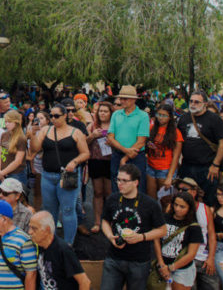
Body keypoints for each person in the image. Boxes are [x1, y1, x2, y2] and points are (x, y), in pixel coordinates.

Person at [28, 103, 88, 245]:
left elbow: (86, 153)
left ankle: (68, 244)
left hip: (67, 175)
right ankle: (51, 243)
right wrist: (33, 135)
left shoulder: (75, 132)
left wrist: (74, 162)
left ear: (65, 116)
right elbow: (35, 149)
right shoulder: (45, 130)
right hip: (48, 175)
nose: (53, 119)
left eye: (56, 116)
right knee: (50, 211)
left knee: (68, 210)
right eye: (51, 116)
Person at [100, 163, 166, 290]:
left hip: (139, 261)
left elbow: (162, 230)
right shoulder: (112, 199)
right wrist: (110, 236)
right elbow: (105, 221)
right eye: (118, 180)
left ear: (136, 182)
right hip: (114, 258)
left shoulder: (150, 204)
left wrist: (141, 237)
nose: (120, 184)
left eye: (124, 181)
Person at [176, 91, 223, 206]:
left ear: (205, 103)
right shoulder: (183, 118)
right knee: (186, 201)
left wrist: (215, 165)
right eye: (191, 101)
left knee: (207, 201)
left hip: (207, 168)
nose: (193, 104)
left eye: (197, 102)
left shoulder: (214, 119)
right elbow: (178, 142)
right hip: (187, 166)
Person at [171, 178, 216, 290]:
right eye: (178, 189)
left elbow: (211, 235)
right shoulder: (174, 208)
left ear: (194, 192)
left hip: (202, 258)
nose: (180, 192)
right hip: (182, 258)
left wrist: (211, 257)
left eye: (184, 189)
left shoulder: (205, 209)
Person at [28, 210, 90, 290]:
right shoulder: (39, 246)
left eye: (34, 229)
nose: (30, 232)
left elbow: (85, 282)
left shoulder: (63, 250)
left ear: (47, 230)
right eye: (29, 227)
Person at [154, 191, 203, 290]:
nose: (177, 209)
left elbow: (191, 254)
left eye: (182, 207)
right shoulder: (164, 218)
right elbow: (156, 239)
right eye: (175, 205)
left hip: (182, 269)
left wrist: (171, 268)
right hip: (162, 265)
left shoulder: (194, 226)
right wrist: (161, 264)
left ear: (189, 208)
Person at [106, 86, 150, 193]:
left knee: (137, 189)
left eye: (125, 98)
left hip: (136, 156)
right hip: (118, 155)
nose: (122, 101)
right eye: (121, 98)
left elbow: (141, 141)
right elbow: (110, 137)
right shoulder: (116, 114)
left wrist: (125, 158)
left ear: (134, 99)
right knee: (117, 188)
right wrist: (126, 151)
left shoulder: (143, 116)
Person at [146, 104, 182, 199]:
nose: (160, 118)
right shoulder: (151, 128)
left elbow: (176, 156)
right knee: (151, 198)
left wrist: (170, 177)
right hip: (150, 167)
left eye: (164, 115)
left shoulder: (176, 133)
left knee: (165, 200)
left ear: (170, 117)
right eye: (159, 114)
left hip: (165, 170)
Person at [86, 101, 113, 233]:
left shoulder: (115, 126)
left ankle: (109, 221)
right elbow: (84, 142)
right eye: (100, 111)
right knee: (97, 192)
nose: (102, 113)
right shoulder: (92, 126)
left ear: (111, 113)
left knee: (109, 193)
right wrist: (92, 136)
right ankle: (97, 221)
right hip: (95, 161)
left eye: (105, 111)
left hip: (110, 161)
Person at [0, 110, 26, 185]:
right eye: (5, 121)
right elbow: (0, 153)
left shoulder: (21, 138)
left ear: (16, 122)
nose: (6, 124)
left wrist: (2, 172)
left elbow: (18, 161)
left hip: (15, 174)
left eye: (9, 122)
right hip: (3, 173)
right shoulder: (4, 134)